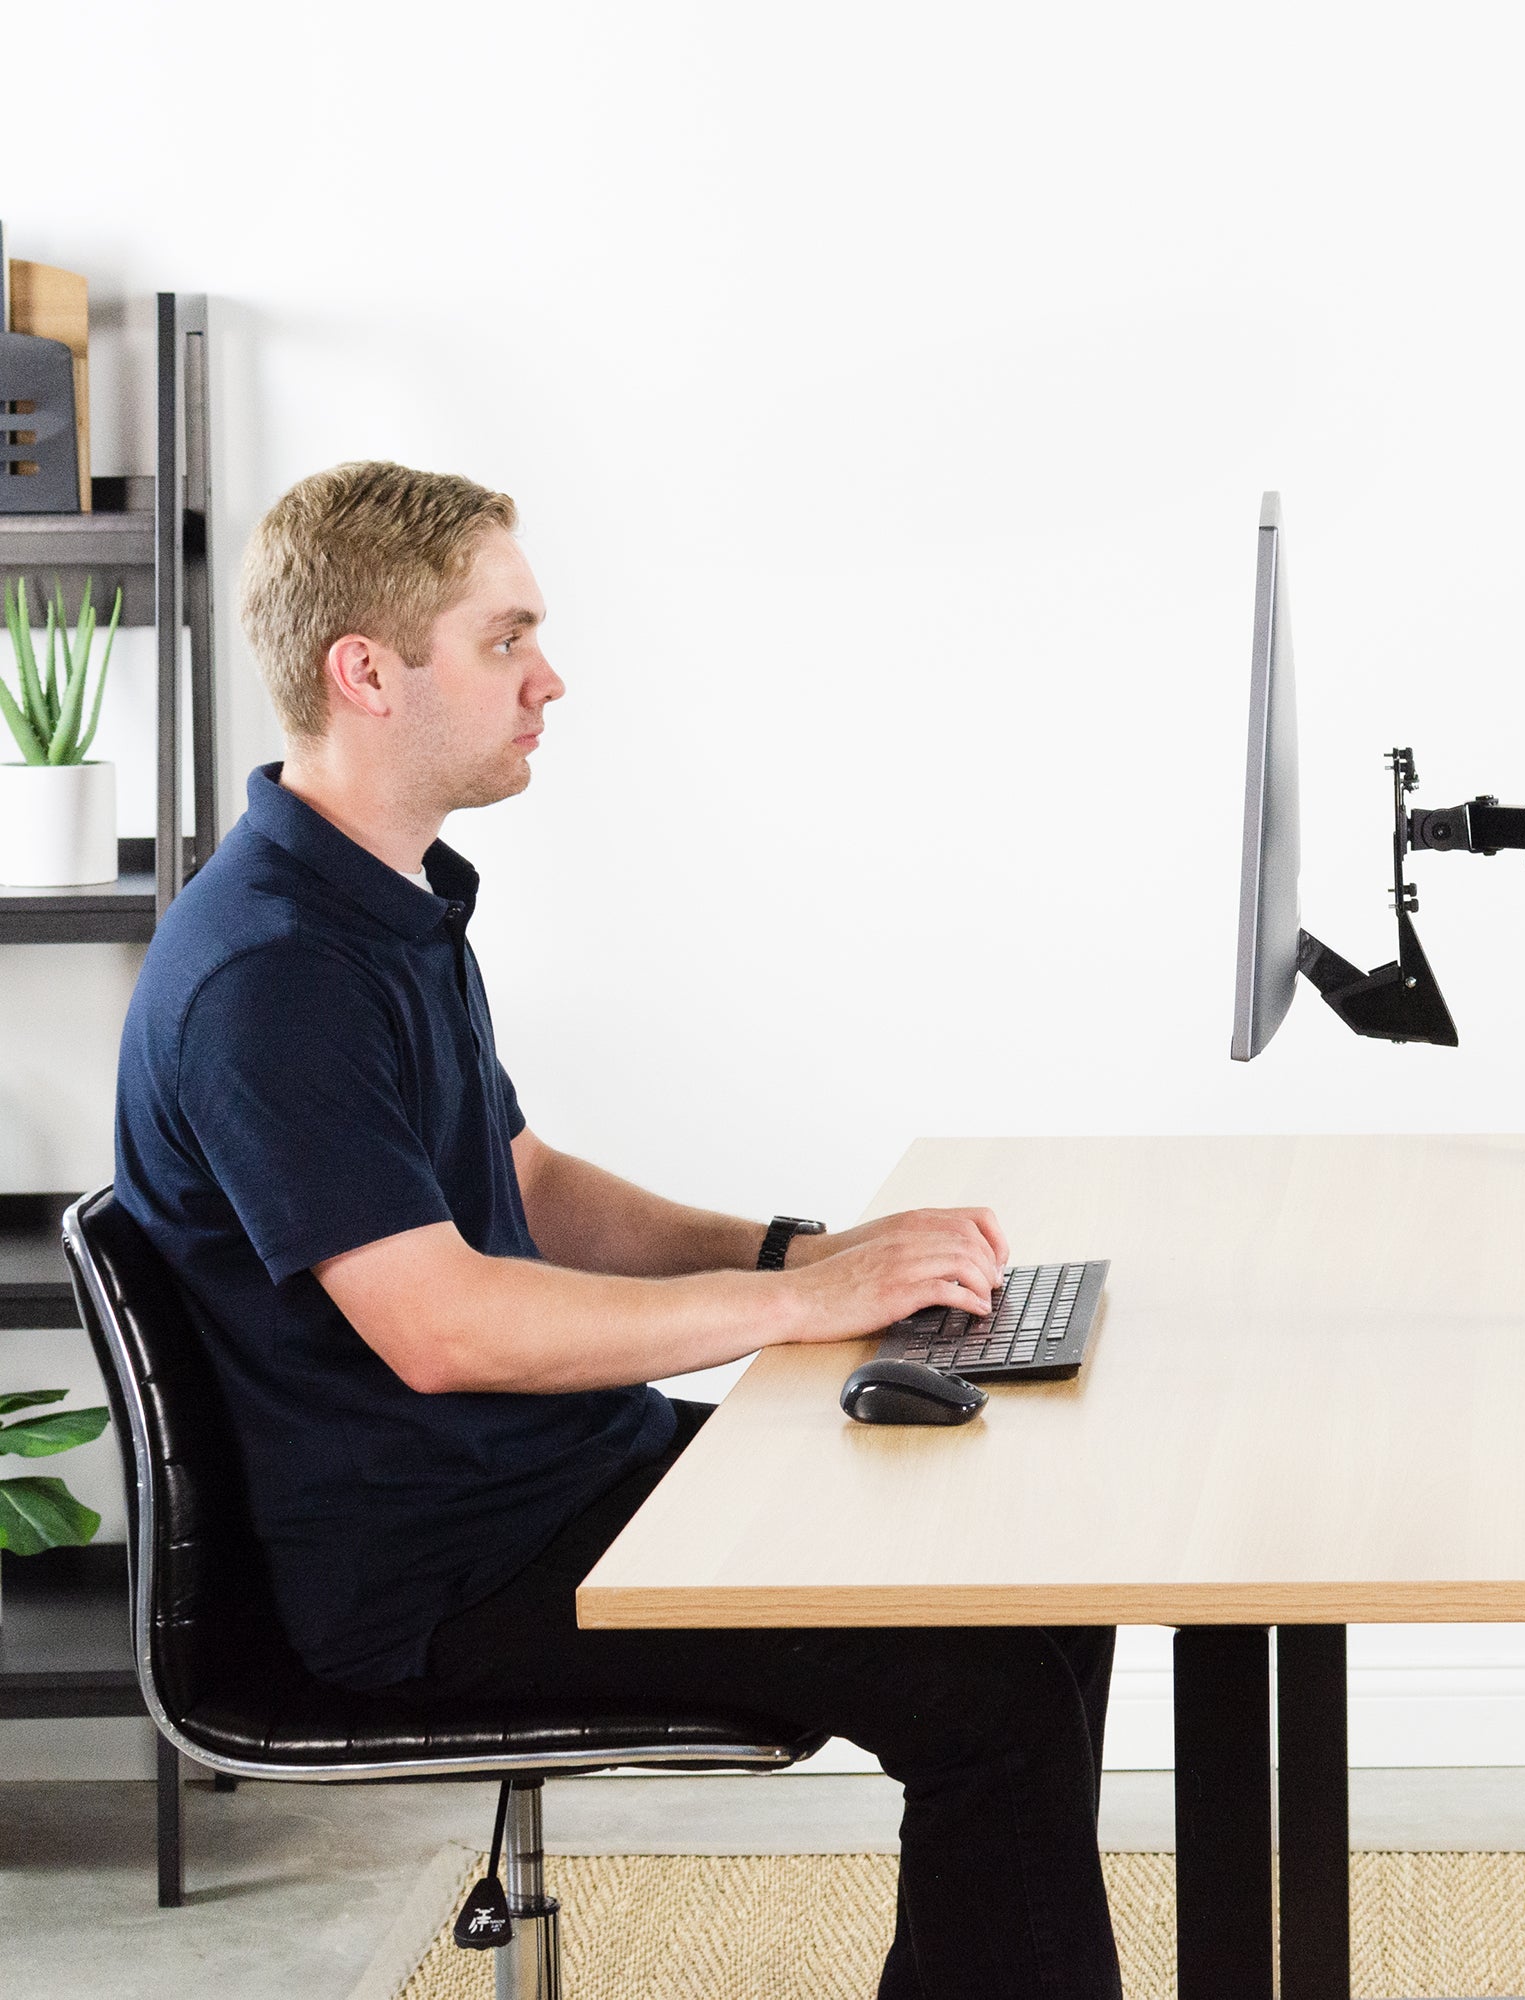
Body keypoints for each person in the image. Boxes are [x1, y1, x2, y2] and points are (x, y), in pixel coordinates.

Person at [114, 461, 1122, 2000]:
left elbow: (524, 1183)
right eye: (506, 639)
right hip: (443, 1577)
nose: (550, 679)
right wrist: (797, 1310)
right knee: (994, 1691)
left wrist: (802, 1256)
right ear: (366, 672)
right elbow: (440, 1327)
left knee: (1036, 1585)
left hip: (554, 1479)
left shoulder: (381, 901)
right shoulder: (275, 975)